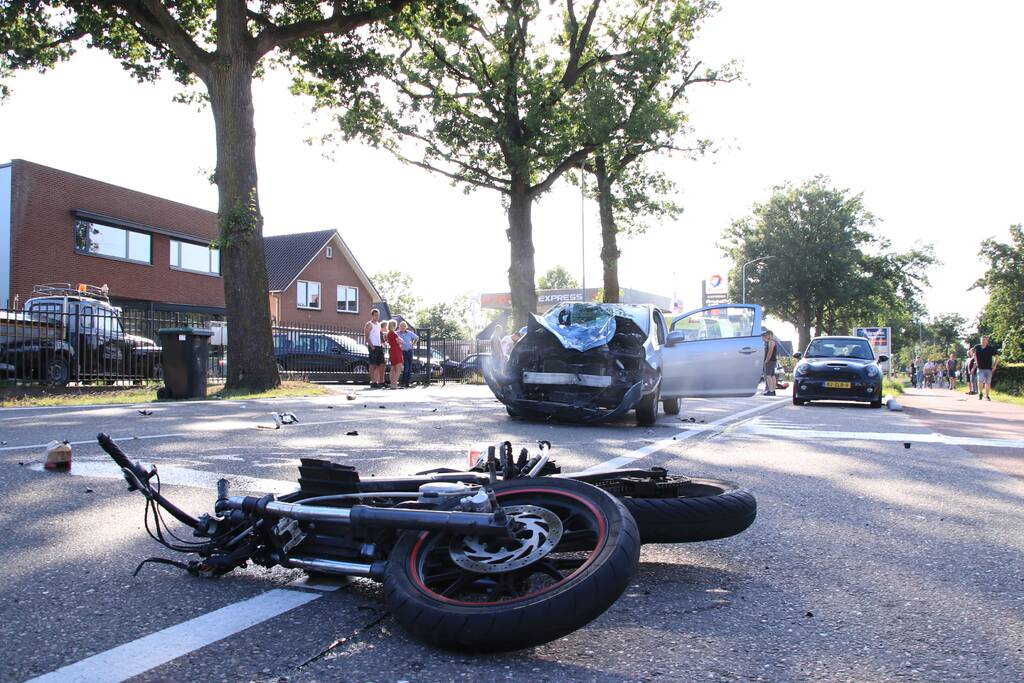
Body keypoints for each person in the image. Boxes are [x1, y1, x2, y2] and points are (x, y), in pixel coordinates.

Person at [364, 308, 386, 388]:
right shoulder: (369, 324)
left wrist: (382, 343)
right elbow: (366, 336)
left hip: (379, 346)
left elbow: (380, 335)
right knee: (373, 364)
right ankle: (373, 382)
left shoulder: (378, 324)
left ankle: (380, 381)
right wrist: (371, 346)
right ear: (372, 315)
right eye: (376, 315)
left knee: (381, 364)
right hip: (373, 346)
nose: (377, 317)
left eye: (378, 315)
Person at [973, 335, 999, 401]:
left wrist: (995, 366)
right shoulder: (977, 347)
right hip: (980, 368)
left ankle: (987, 395)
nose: (983, 341)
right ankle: (980, 393)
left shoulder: (990, 348)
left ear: (987, 341)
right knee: (980, 381)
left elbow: (997, 357)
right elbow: (974, 354)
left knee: (988, 382)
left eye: (984, 340)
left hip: (988, 368)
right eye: (982, 340)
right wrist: (976, 362)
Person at [397, 321, 418, 388]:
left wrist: (413, 344)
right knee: (406, 367)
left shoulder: (409, 333)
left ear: (406, 327)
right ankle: (403, 382)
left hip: (409, 351)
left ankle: (407, 383)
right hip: (402, 352)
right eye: (401, 326)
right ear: (399, 327)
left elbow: (417, 337)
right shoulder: (397, 333)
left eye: (404, 326)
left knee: (409, 367)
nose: (402, 327)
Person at [386, 320, 404, 389]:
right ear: (394, 325)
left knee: (393, 368)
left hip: (392, 351)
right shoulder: (394, 333)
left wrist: (400, 341)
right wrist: (401, 341)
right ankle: (394, 384)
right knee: (398, 368)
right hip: (396, 351)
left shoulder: (389, 333)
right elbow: (400, 341)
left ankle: (392, 384)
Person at [762, 329, 778, 396]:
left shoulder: (771, 342)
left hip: (770, 361)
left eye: (767, 335)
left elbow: (770, 351)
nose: (766, 336)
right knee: (772, 375)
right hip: (773, 360)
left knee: (768, 376)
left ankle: (771, 391)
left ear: (770, 335)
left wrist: (766, 360)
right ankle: (773, 390)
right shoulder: (773, 341)